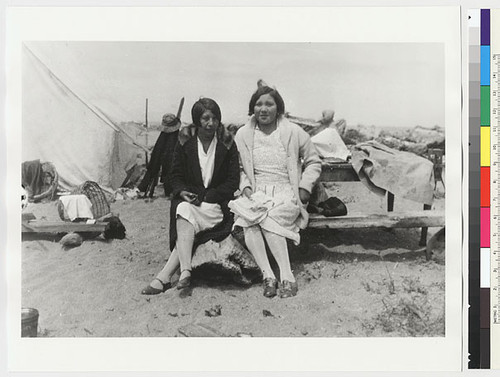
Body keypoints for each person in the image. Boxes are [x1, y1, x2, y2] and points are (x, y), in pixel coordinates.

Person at [141, 98, 240, 295]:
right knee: (182, 208)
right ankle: (185, 269)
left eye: (215, 118)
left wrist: (210, 196)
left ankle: (165, 276)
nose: (211, 123)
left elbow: (232, 181)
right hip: (192, 201)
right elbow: (174, 175)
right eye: (205, 118)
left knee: (185, 219)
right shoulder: (184, 142)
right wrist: (182, 191)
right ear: (196, 121)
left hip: (215, 205)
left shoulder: (227, 144)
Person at [231, 86, 322, 298]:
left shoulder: (293, 132)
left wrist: (304, 187)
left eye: (269, 104)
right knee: (248, 219)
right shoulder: (243, 134)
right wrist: (245, 187)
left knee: (269, 218)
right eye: (258, 104)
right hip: (256, 193)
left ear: (278, 108)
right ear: (252, 108)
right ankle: (268, 275)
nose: (263, 109)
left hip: (285, 192)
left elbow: (313, 162)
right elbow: (239, 168)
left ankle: (287, 274)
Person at [137, 113, 180, 198]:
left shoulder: (169, 136)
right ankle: (168, 190)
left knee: (165, 163)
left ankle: (168, 189)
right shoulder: (167, 136)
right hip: (167, 154)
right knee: (163, 163)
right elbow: (159, 150)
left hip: (168, 154)